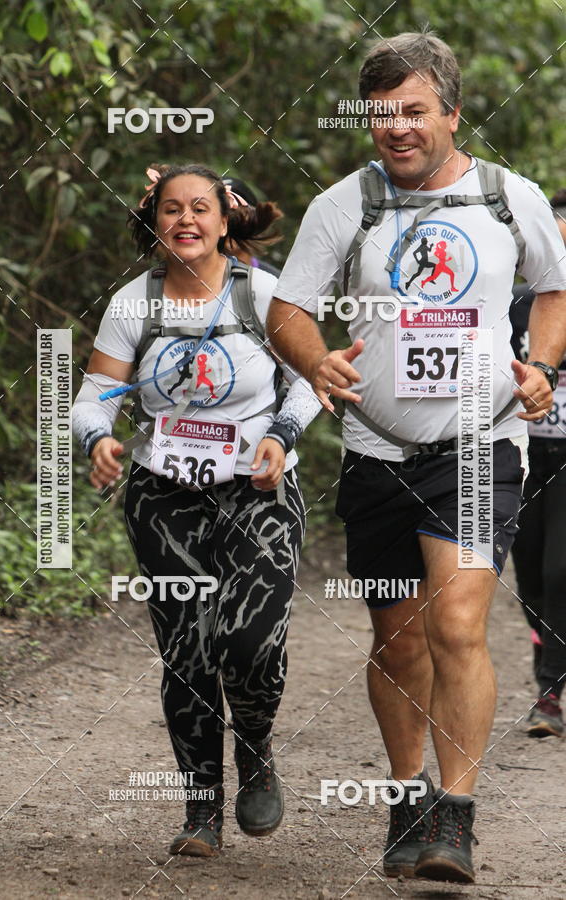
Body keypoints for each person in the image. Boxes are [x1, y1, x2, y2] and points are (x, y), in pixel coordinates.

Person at [267, 31, 566, 884]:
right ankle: (407, 800)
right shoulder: (345, 205)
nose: (397, 128)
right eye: (382, 114)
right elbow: (288, 306)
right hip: (377, 451)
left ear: (452, 113)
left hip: (480, 443)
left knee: (459, 624)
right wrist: (313, 355)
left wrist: (540, 367)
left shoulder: (510, 199)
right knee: (399, 643)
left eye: (414, 112)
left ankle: (456, 820)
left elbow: (556, 288)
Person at [72, 163, 321, 857]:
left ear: (223, 220)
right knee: (188, 651)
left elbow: (307, 383)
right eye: (172, 209)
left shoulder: (265, 294)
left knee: (251, 645)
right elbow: (94, 395)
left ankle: (258, 742)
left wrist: (281, 434)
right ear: (156, 223)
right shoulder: (133, 303)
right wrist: (98, 437)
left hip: (258, 491)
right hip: (163, 499)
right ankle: (200, 810)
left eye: (200, 208)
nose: (186, 220)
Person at [509, 188, 566, 737]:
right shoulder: (520, 303)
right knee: (528, 576)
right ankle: (549, 654)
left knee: (559, 570)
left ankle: (549, 693)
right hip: (524, 453)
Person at [222, 175, 282, 276]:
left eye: (238, 214)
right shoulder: (193, 279)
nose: (230, 222)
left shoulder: (274, 282)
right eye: (222, 213)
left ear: (255, 220)